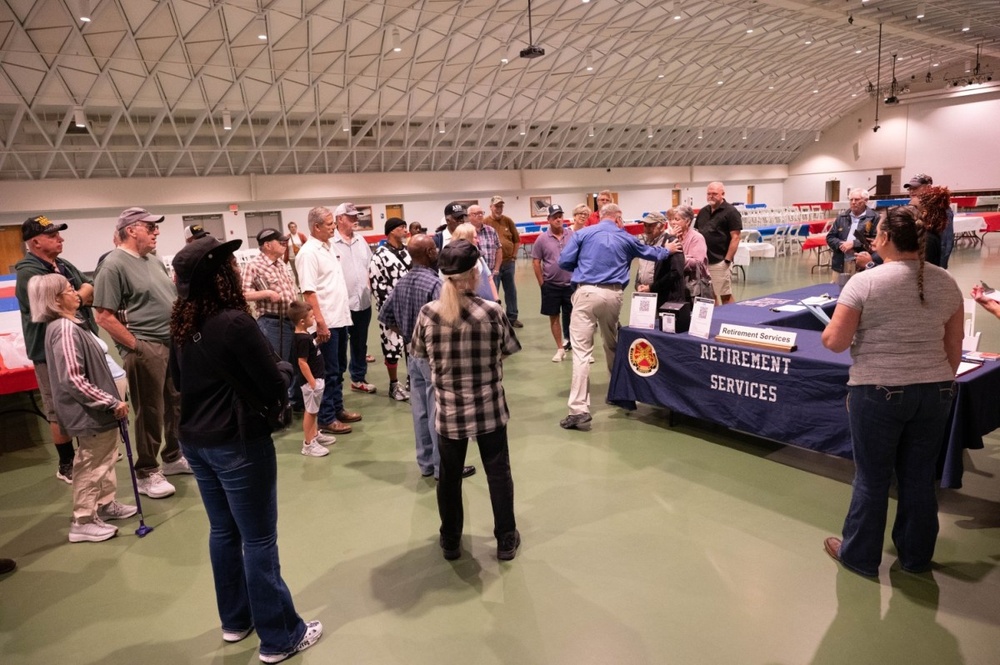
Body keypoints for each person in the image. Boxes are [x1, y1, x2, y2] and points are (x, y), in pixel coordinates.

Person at [167, 235, 322, 662]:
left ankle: (236, 621)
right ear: (219, 277)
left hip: (196, 442)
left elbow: (180, 383)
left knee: (223, 532)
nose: (238, 271)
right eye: (230, 266)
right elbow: (275, 383)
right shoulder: (235, 322)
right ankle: (280, 637)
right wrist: (286, 366)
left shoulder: (182, 320)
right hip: (236, 442)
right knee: (258, 539)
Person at [820, 206, 963, 578]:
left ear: (883, 239)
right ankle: (916, 558)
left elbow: (836, 342)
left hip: (877, 393)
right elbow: (954, 347)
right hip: (934, 392)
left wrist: (828, 330)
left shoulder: (865, 282)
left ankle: (860, 556)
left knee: (872, 478)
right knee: (918, 478)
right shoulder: (946, 281)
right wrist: (935, 380)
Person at [410, 240, 521, 561]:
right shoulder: (493, 312)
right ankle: (505, 538)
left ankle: (450, 540)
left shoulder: (429, 314)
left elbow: (418, 354)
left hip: (449, 413)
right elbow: (508, 350)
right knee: (498, 474)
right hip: (489, 408)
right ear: (475, 274)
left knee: (449, 477)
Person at [30, 272, 136, 543]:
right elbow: (73, 379)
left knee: (105, 458)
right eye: (68, 289)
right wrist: (110, 401)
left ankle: (104, 504)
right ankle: (83, 520)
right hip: (90, 412)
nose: (76, 292)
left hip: (97, 411)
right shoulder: (64, 329)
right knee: (91, 463)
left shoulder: (71, 323)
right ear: (56, 299)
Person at [93, 207, 190, 499]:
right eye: (150, 227)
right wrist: (136, 346)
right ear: (131, 229)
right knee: (150, 411)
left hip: (171, 344)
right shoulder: (113, 265)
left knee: (175, 404)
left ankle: (173, 457)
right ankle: (147, 470)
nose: (156, 231)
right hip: (147, 346)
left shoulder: (154, 261)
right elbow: (103, 316)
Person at [557, 203, 678, 430]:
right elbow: (652, 253)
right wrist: (668, 249)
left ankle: (578, 410)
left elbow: (563, 261)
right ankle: (618, 392)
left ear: (601, 217)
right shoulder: (626, 238)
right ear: (618, 218)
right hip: (613, 295)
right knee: (611, 343)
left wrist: (584, 263)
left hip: (586, 292)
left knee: (582, 352)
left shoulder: (583, 234)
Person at [379, 235, 476, 481]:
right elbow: (448, 320)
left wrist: (408, 334)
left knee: (420, 409)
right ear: (432, 252)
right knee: (438, 411)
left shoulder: (402, 282)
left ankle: (425, 463)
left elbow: (385, 315)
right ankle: (442, 467)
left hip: (412, 353)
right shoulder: (435, 284)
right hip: (433, 356)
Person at [15, 215, 96, 483]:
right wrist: (76, 298)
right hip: (49, 352)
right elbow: (52, 308)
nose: (60, 239)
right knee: (56, 408)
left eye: (58, 234)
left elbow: (89, 287)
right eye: (52, 236)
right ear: (35, 241)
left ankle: (87, 452)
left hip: (77, 343)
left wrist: (75, 299)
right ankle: (66, 463)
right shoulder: (28, 271)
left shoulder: (61, 264)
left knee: (84, 397)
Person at [296, 206, 362, 436]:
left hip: (340, 317)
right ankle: (326, 418)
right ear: (316, 227)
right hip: (326, 322)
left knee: (339, 368)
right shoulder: (307, 253)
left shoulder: (329, 246)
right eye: (329, 223)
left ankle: (337, 408)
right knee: (328, 371)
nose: (334, 226)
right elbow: (309, 292)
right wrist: (321, 323)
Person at [331, 203, 376, 394]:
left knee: (359, 343)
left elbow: (369, 265)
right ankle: (337, 383)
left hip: (362, 301)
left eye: (356, 217)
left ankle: (358, 378)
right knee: (339, 347)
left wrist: (368, 287)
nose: (355, 220)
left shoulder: (361, 241)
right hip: (341, 305)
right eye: (351, 217)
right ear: (340, 219)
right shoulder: (330, 243)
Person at [368, 217, 412, 402]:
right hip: (392, 310)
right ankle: (394, 385)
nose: (405, 230)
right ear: (392, 231)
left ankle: (413, 379)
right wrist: (390, 314)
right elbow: (377, 286)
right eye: (402, 227)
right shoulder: (379, 255)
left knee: (412, 347)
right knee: (392, 347)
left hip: (411, 308)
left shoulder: (407, 252)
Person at [242, 228, 298, 364]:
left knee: (293, 366)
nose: (284, 244)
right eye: (280, 242)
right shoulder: (253, 266)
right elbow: (243, 294)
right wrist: (267, 293)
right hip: (272, 324)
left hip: (291, 321)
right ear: (267, 245)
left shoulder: (281, 264)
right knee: (278, 366)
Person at [288, 301, 333, 458]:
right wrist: (312, 382)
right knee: (311, 412)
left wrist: (317, 342)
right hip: (311, 382)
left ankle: (314, 435)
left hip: (316, 379)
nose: (314, 319)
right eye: (312, 317)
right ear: (302, 321)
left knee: (314, 410)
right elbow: (302, 362)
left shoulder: (306, 336)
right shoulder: (301, 339)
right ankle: (308, 444)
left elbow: (310, 350)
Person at [532, 204, 575, 362]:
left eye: (560, 216)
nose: (558, 219)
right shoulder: (542, 239)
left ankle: (577, 347)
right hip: (551, 285)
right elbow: (536, 262)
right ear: (548, 219)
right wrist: (542, 284)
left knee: (574, 317)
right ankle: (560, 348)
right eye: (555, 217)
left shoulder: (571, 235)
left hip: (571, 285)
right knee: (554, 317)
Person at [694, 181, 742, 304]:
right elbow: (697, 233)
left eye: (714, 193)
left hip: (720, 260)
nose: (711, 196)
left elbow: (735, 237)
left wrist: (727, 259)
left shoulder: (731, 212)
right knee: (710, 295)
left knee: (724, 294)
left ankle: (730, 318)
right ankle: (714, 319)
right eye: (708, 194)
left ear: (722, 194)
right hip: (704, 261)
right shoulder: (703, 211)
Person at [484, 195, 523, 327]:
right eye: (496, 206)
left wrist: (513, 255)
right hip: (493, 265)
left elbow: (516, 240)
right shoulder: (485, 222)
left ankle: (512, 317)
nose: (499, 209)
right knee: (494, 292)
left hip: (508, 263)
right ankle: (495, 318)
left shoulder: (508, 221)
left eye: (501, 206)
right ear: (491, 207)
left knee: (511, 290)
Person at [903, 173, 954, 268]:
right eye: (910, 188)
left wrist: (941, 268)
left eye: (915, 188)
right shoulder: (911, 206)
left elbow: (945, 243)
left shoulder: (942, 209)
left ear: (928, 187)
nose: (911, 191)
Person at [826, 188, 878, 279]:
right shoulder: (842, 217)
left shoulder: (874, 218)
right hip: (840, 264)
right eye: (851, 200)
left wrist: (854, 244)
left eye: (857, 199)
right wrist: (841, 245)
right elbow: (830, 237)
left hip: (861, 265)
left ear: (865, 201)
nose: (853, 202)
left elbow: (876, 241)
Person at [667, 205, 713, 302]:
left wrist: (678, 260)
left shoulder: (697, 238)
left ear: (687, 221)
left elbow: (698, 263)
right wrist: (671, 238)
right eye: (671, 219)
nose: (672, 222)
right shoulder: (670, 237)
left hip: (693, 287)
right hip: (675, 285)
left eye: (676, 219)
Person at [451, 222, 498, 301]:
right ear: (466, 239)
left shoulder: (479, 258)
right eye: (475, 238)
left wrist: (497, 300)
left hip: (488, 304)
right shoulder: (455, 263)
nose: (478, 240)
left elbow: (489, 279)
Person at [913, 186, 951, 268]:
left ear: (924, 213)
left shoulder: (928, 239)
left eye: (914, 207)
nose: (909, 210)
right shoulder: (926, 234)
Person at [634, 212, 670, 292]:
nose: (647, 229)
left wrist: (652, 288)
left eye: (650, 225)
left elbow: (673, 274)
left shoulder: (669, 242)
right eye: (645, 225)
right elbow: (640, 268)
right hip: (643, 292)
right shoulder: (643, 242)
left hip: (661, 293)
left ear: (661, 226)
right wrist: (637, 285)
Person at [468, 204, 503, 281]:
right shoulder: (465, 232)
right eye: (476, 213)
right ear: (469, 216)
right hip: (473, 276)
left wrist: (496, 270)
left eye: (481, 213)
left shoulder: (491, 231)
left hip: (491, 274)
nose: (480, 215)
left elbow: (499, 250)